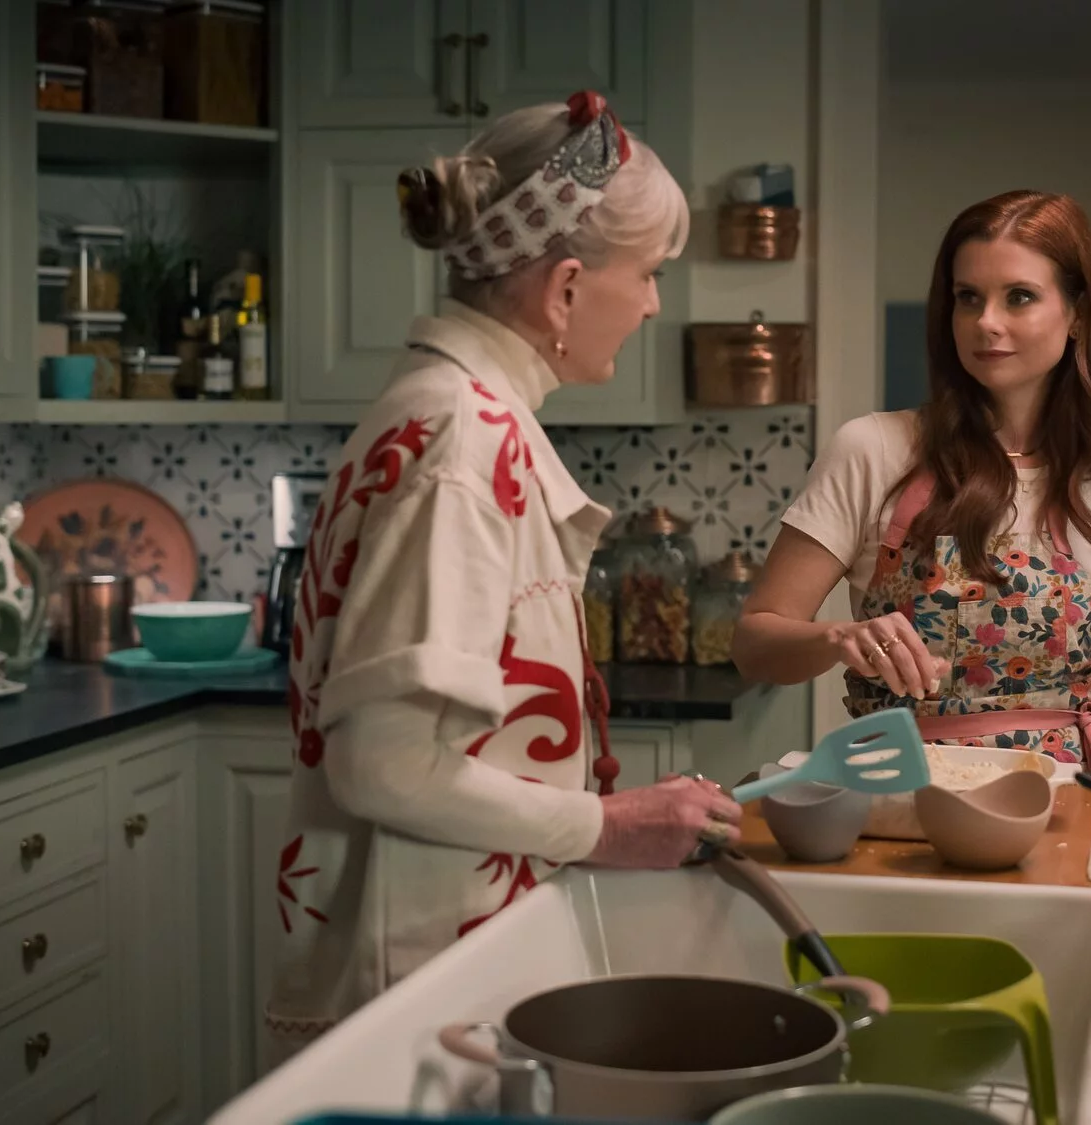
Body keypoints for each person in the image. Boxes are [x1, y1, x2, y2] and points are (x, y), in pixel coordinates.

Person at [265, 92, 740, 1053]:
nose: (653, 303)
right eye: (648, 274)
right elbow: (383, 763)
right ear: (565, 289)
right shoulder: (464, 443)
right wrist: (608, 824)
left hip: (440, 937)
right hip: (423, 963)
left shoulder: (445, 410)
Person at [733, 190, 1091, 784]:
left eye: (1019, 297)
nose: (986, 321)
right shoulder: (874, 450)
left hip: (1060, 804)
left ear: (1077, 314)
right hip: (903, 801)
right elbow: (755, 644)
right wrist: (841, 637)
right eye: (968, 298)